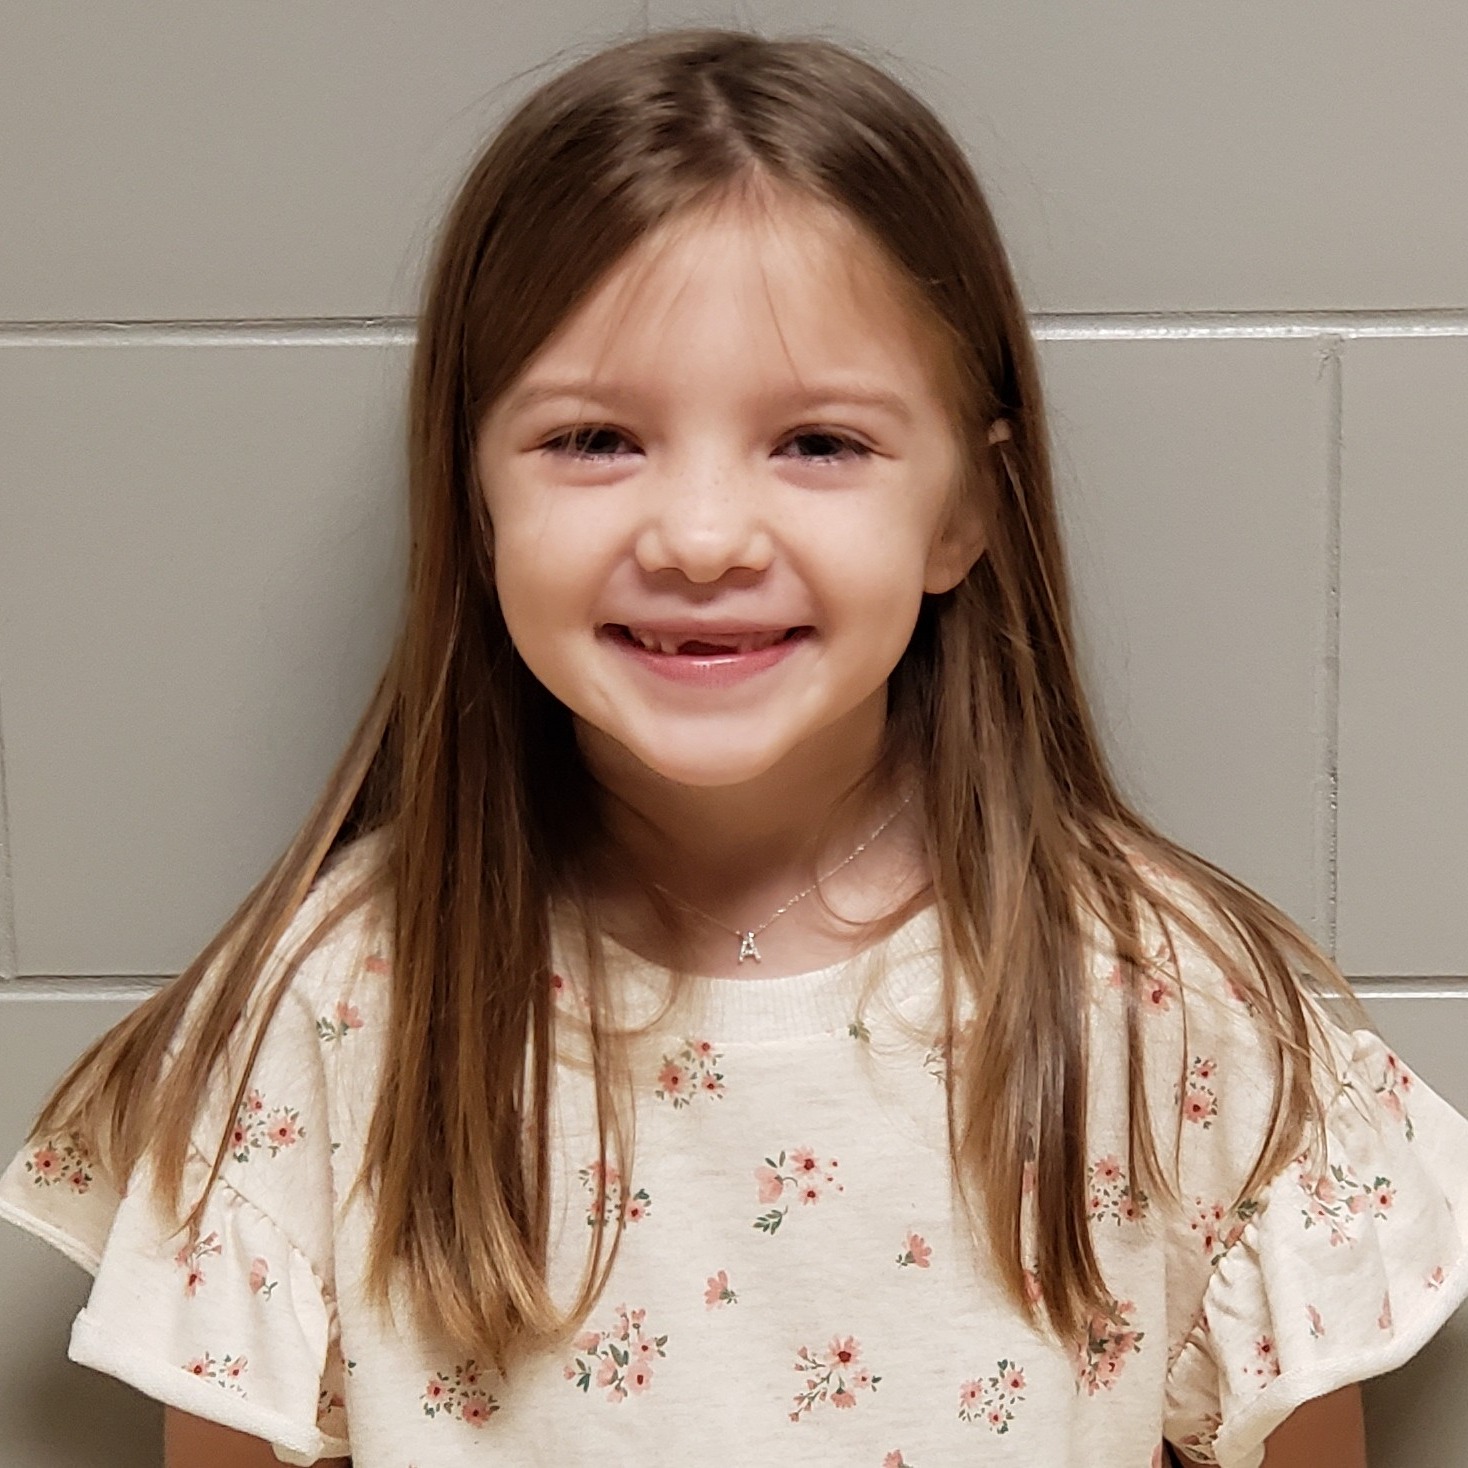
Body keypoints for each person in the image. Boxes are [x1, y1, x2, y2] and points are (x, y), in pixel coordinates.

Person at [2, 25, 1464, 1468]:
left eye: (819, 442)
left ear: (965, 513)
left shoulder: (1172, 1012)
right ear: (472, 492)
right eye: (594, 440)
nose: (701, 538)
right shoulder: (322, 1024)